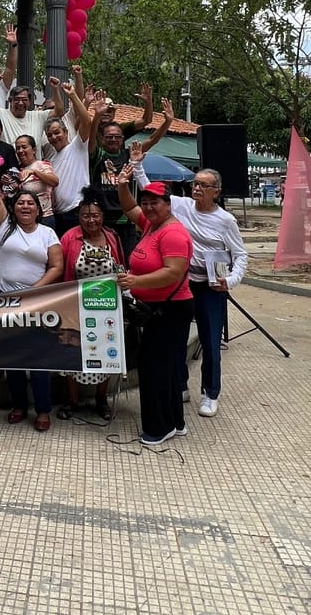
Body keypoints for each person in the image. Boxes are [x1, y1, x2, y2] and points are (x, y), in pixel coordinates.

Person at [132, 151, 248, 417]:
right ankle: (181, 385)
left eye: (203, 185)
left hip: (210, 287)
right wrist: (137, 164)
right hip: (181, 284)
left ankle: (210, 392)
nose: (197, 188)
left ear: (216, 191)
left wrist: (230, 280)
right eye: (195, 183)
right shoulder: (181, 205)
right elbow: (148, 189)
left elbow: (240, 254)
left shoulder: (225, 220)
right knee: (177, 339)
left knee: (210, 342)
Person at [0, 141, 63, 432]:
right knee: (13, 358)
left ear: (38, 208)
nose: (25, 205)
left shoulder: (48, 233)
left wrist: (35, 288)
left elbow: (57, 267)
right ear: (14, 207)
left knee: (38, 359)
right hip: (6, 301)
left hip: (37, 301)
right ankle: (19, 405)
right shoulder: (6, 227)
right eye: (20, 202)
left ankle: (43, 410)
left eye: (30, 203)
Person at [116, 170, 194, 446]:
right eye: (146, 202)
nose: (148, 207)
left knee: (154, 367)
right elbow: (128, 205)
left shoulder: (172, 233)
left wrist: (135, 280)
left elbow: (174, 272)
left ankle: (159, 427)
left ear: (168, 204)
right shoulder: (152, 226)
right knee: (167, 366)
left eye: (155, 202)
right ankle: (175, 422)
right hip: (155, 307)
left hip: (170, 309)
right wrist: (123, 184)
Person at [59, 187, 124, 421]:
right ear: (79, 218)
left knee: (106, 351)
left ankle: (101, 399)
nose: (91, 220)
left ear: (102, 216)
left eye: (95, 215)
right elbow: (60, 270)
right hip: (74, 305)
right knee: (71, 353)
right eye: (86, 216)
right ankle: (72, 400)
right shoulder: (69, 238)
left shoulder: (112, 237)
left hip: (106, 307)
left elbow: (120, 267)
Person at [88, 92, 174, 261]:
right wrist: (97, 116)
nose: (113, 139)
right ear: (102, 139)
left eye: (117, 137)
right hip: (101, 218)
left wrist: (167, 122)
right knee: (102, 262)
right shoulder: (96, 155)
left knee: (129, 261)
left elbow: (153, 139)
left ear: (122, 139)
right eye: (109, 137)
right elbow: (91, 139)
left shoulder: (130, 154)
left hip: (125, 218)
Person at [46, 76, 92, 235]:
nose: (54, 137)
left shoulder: (77, 146)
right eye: (50, 135)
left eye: (57, 132)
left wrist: (72, 95)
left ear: (66, 132)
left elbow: (86, 122)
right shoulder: (50, 161)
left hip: (77, 211)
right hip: (58, 216)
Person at [14, 134, 58, 228]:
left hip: (45, 217)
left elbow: (55, 181)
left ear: (34, 150)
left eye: (24, 147)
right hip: (25, 219)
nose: (20, 151)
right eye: (17, 148)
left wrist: (35, 172)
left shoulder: (42, 165)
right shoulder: (18, 170)